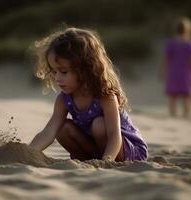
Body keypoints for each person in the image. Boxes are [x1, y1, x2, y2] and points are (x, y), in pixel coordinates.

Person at [29, 27, 148, 161]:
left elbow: (115, 136)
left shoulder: (105, 96)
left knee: (98, 125)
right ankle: (84, 161)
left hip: (125, 150)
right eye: (54, 71)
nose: (57, 78)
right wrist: (27, 153)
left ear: (85, 69)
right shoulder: (64, 100)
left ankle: (106, 161)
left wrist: (106, 161)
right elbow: (48, 132)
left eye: (63, 72)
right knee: (62, 128)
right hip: (94, 149)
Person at [160, 17, 191, 118]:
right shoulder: (190, 44)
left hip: (173, 73)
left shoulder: (170, 43)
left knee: (172, 97)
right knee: (187, 97)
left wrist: (162, 71)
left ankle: (173, 116)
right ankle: (186, 116)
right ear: (188, 30)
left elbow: (165, 59)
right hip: (186, 74)